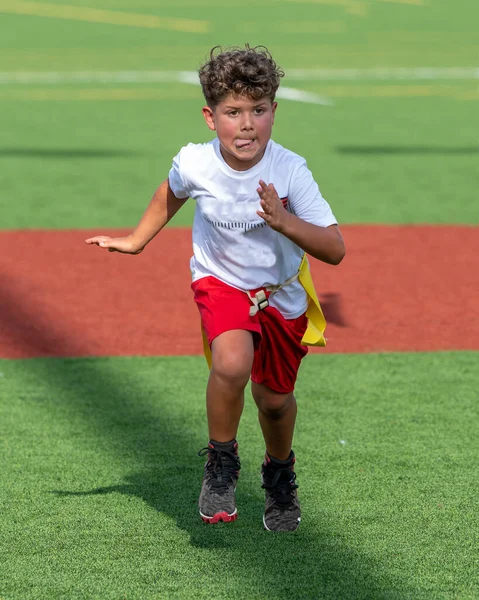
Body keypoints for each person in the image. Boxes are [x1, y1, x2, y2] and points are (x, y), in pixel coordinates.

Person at [86, 44, 345, 532]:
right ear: (210, 117)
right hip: (219, 281)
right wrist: (138, 241)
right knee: (231, 361)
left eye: (258, 110)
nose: (246, 124)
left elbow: (334, 248)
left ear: (274, 110)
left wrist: (286, 221)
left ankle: (279, 473)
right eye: (233, 112)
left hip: (281, 293)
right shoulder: (195, 162)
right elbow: (171, 190)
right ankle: (222, 464)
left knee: (274, 400)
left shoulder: (291, 171)